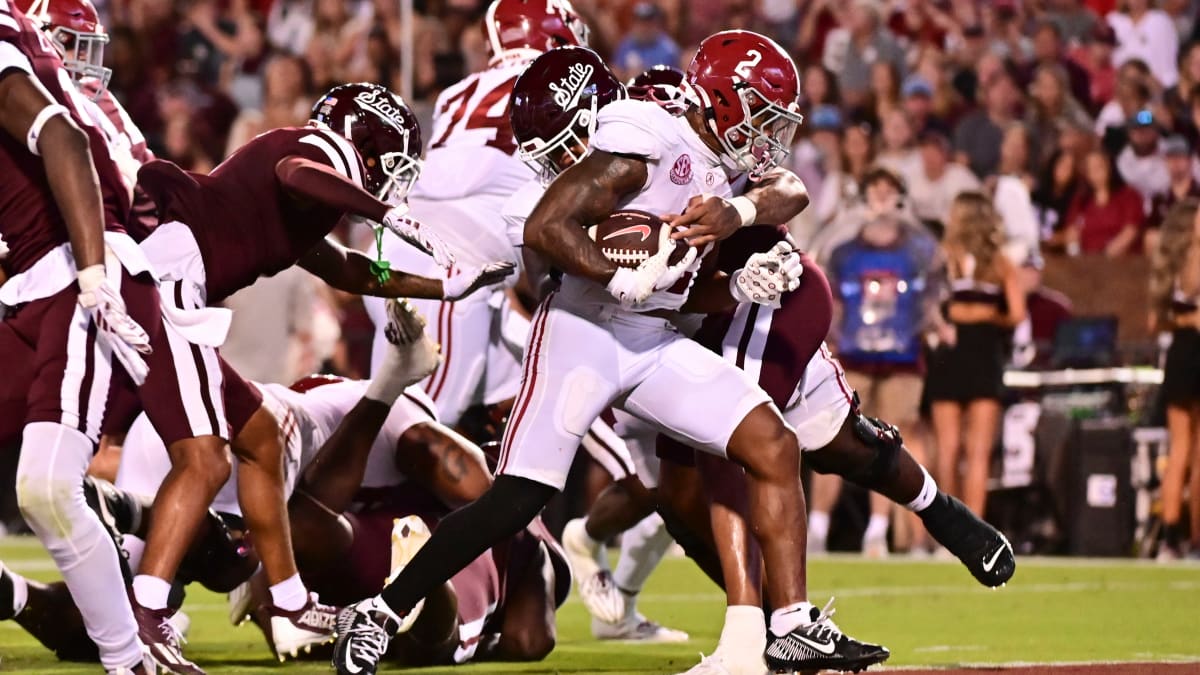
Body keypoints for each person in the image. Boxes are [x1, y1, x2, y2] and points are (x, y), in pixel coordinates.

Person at [332, 30, 890, 675]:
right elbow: (547, 228)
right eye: (760, 116)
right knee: (515, 498)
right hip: (583, 334)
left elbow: (777, 199)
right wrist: (613, 272)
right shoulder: (644, 140)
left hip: (651, 336)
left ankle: (791, 625)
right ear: (723, 102)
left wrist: (734, 277)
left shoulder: (709, 145)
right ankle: (377, 611)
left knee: (772, 442)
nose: (767, 134)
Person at [125, 82, 511, 670]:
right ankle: (146, 616)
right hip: (165, 283)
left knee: (257, 436)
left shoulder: (309, 207)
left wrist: (447, 286)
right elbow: (296, 171)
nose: (392, 178)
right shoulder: (316, 152)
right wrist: (385, 214)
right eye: (392, 162)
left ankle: (290, 601)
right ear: (368, 142)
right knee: (204, 459)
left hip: (176, 285)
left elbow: (351, 270)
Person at [0, 301, 573, 666]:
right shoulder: (363, 425)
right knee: (245, 552)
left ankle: (23, 588)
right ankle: (244, 570)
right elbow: (455, 478)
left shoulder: (381, 439)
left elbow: (497, 517)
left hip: (208, 466)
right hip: (253, 479)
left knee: (121, 620)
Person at [0, 1, 158, 672]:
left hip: (71, 274)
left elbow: (60, 134)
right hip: (27, 289)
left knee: (45, 486)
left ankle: (130, 659)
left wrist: (93, 277)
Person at [362, 0, 588, 430]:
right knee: (415, 432)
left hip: (408, 249)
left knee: (500, 419)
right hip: (452, 267)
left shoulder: (456, 92)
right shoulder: (562, 88)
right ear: (557, 34)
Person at [926, 193, 1027, 518]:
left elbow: (928, 306)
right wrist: (988, 316)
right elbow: (1016, 314)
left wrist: (958, 316)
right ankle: (973, 531)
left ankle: (947, 531)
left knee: (949, 448)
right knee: (977, 450)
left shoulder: (943, 257)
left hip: (952, 349)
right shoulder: (1000, 262)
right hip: (983, 351)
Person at [1149, 199, 1200, 559]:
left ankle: (1169, 538)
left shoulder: (1172, 261)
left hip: (1179, 355)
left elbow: (1157, 321)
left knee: (1179, 449)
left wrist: (1183, 321)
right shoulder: (1196, 255)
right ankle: (1196, 539)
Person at [1064, 146, 1147, 255]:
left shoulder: (1129, 195)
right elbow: (1072, 231)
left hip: (1120, 260)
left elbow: (1130, 231)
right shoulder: (1081, 199)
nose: (1095, 173)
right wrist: (1075, 256)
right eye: (1090, 169)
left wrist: (1106, 256)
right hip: (1084, 262)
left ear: (1110, 166)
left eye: (1099, 167)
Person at [908, 130, 981, 227]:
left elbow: (979, 204)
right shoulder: (911, 179)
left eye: (934, 153)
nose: (930, 158)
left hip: (957, 230)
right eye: (926, 153)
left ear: (945, 155)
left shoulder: (961, 176)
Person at [1108, 0, 1180, 88]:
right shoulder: (1113, 20)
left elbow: (1168, 64)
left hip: (1152, 85)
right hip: (1118, 85)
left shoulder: (1160, 21)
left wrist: (1165, 86)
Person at [611, 2, 680, 82]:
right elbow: (616, 70)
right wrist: (625, 75)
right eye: (640, 22)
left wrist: (645, 75)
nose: (644, 28)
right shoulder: (626, 44)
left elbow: (674, 80)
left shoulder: (669, 50)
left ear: (656, 24)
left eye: (648, 23)